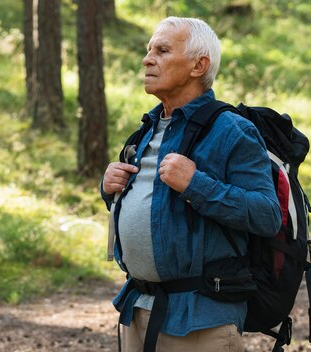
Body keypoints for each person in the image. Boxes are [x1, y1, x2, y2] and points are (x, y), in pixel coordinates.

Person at [100, 17, 282, 352]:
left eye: (163, 50)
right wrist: (109, 188)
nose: (147, 59)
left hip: (201, 320)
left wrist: (195, 184)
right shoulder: (149, 127)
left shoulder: (231, 130)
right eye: (149, 50)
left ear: (199, 65)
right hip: (139, 308)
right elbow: (153, 208)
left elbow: (267, 214)